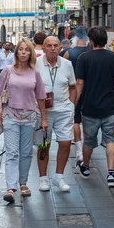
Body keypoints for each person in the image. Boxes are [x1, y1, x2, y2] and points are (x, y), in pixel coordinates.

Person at [0, 39, 47, 203]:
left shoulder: (35, 73)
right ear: (16, 53)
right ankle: (11, 187)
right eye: (20, 49)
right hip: (10, 117)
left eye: (26, 50)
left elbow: (41, 97)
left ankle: (23, 183)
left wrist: (44, 119)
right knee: (12, 153)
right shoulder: (8, 70)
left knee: (26, 152)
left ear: (30, 53)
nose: (23, 52)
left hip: (29, 118)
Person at [75, 26, 114, 187]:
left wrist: (74, 103)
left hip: (90, 106)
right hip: (109, 106)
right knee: (110, 138)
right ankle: (111, 174)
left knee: (89, 141)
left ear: (91, 40)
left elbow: (79, 84)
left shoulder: (84, 58)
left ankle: (86, 167)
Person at [35, 36, 76, 192]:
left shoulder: (67, 65)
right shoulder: (36, 64)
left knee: (65, 143)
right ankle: (43, 178)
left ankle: (59, 176)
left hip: (64, 109)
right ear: (43, 48)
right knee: (44, 144)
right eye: (49, 45)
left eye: (55, 45)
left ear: (60, 48)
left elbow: (73, 86)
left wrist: (71, 105)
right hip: (43, 110)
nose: (52, 48)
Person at [63, 27, 92, 166]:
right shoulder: (91, 52)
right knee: (89, 120)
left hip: (73, 90)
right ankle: (87, 147)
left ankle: (79, 150)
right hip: (90, 90)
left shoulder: (68, 53)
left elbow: (63, 74)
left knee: (75, 120)